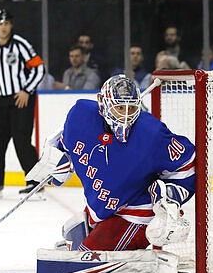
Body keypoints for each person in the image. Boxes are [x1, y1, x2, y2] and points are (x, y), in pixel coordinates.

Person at [27, 74, 195, 251]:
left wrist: (169, 199)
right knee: (72, 232)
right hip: (103, 208)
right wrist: (59, 159)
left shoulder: (151, 134)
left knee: (84, 261)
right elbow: (63, 143)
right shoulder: (80, 115)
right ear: (102, 102)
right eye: (120, 108)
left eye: (131, 109)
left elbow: (187, 163)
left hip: (137, 212)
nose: (126, 116)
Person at [0, 8, 45, 198]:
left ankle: (35, 182)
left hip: (21, 98)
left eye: (6, 23)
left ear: (11, 25)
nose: (3, 27)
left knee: (21, 141)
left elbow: (38, 68)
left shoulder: (20, 45)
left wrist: (27, 90)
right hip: (2, 100)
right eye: (0, 23)